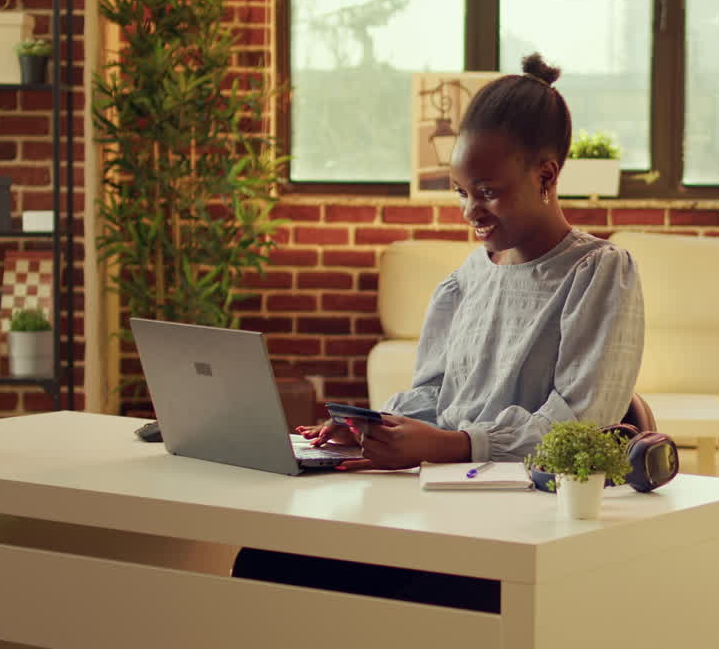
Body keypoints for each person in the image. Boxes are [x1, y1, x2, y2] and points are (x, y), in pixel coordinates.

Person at [232, 53, 645, 612]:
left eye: (488, 191)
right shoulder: (463, 280)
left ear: (546, 175)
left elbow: (582, 423)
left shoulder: (596, 272)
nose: (471, 210)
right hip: (440, 501)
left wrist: (453, 444)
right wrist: (374, 430)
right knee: (266, 559)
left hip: (523, 522)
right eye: (460, 192)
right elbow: (431, 394)